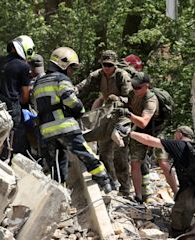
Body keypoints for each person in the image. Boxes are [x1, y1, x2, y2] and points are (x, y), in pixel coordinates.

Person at [115, 124, 195, 240]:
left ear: (179, 134)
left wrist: (129, 133)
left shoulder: (178, 145)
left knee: (179, 229)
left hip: (189, 195)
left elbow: (148, 140)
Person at [32, 47, 112, 193]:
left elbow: (36, 105)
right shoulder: (61, 79)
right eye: (71, 68)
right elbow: (71, 101)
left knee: (57, 163)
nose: (71, 72)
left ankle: (60, 195)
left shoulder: (38, 82)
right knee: (85, 152)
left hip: (46, 131)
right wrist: (80, 110)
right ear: (64, 64)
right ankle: (105, 181)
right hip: (65, 126)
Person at [76, 50, 132, 194]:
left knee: (120, 153)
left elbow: (131, 99)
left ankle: (125, 188)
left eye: (110, 65)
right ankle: (111, 182)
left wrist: (118, 99)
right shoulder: (97, 75)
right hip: (107, 115)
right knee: (104, 151)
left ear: (115, 65)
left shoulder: (122, 76)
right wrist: (70, 92)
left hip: (122, 116)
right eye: (104, 64)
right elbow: (82, 87)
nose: (107, 68)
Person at [118, 72, 178, 203]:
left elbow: (144, 121)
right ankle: (139, 196)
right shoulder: (133, 93)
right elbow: (129, 104)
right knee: (135, 163)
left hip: (155, 131)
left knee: (163, 163)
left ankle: (177, 193)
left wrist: (128, 115)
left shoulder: (151, 100)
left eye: (138, 87)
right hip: (140, 131)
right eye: (133, 86)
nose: (135, 89)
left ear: (146, 86)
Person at [0, 35, 35, 161]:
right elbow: (25, 95)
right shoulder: (23, 66)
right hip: (11, 107)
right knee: (14, 138)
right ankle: (11, 164)